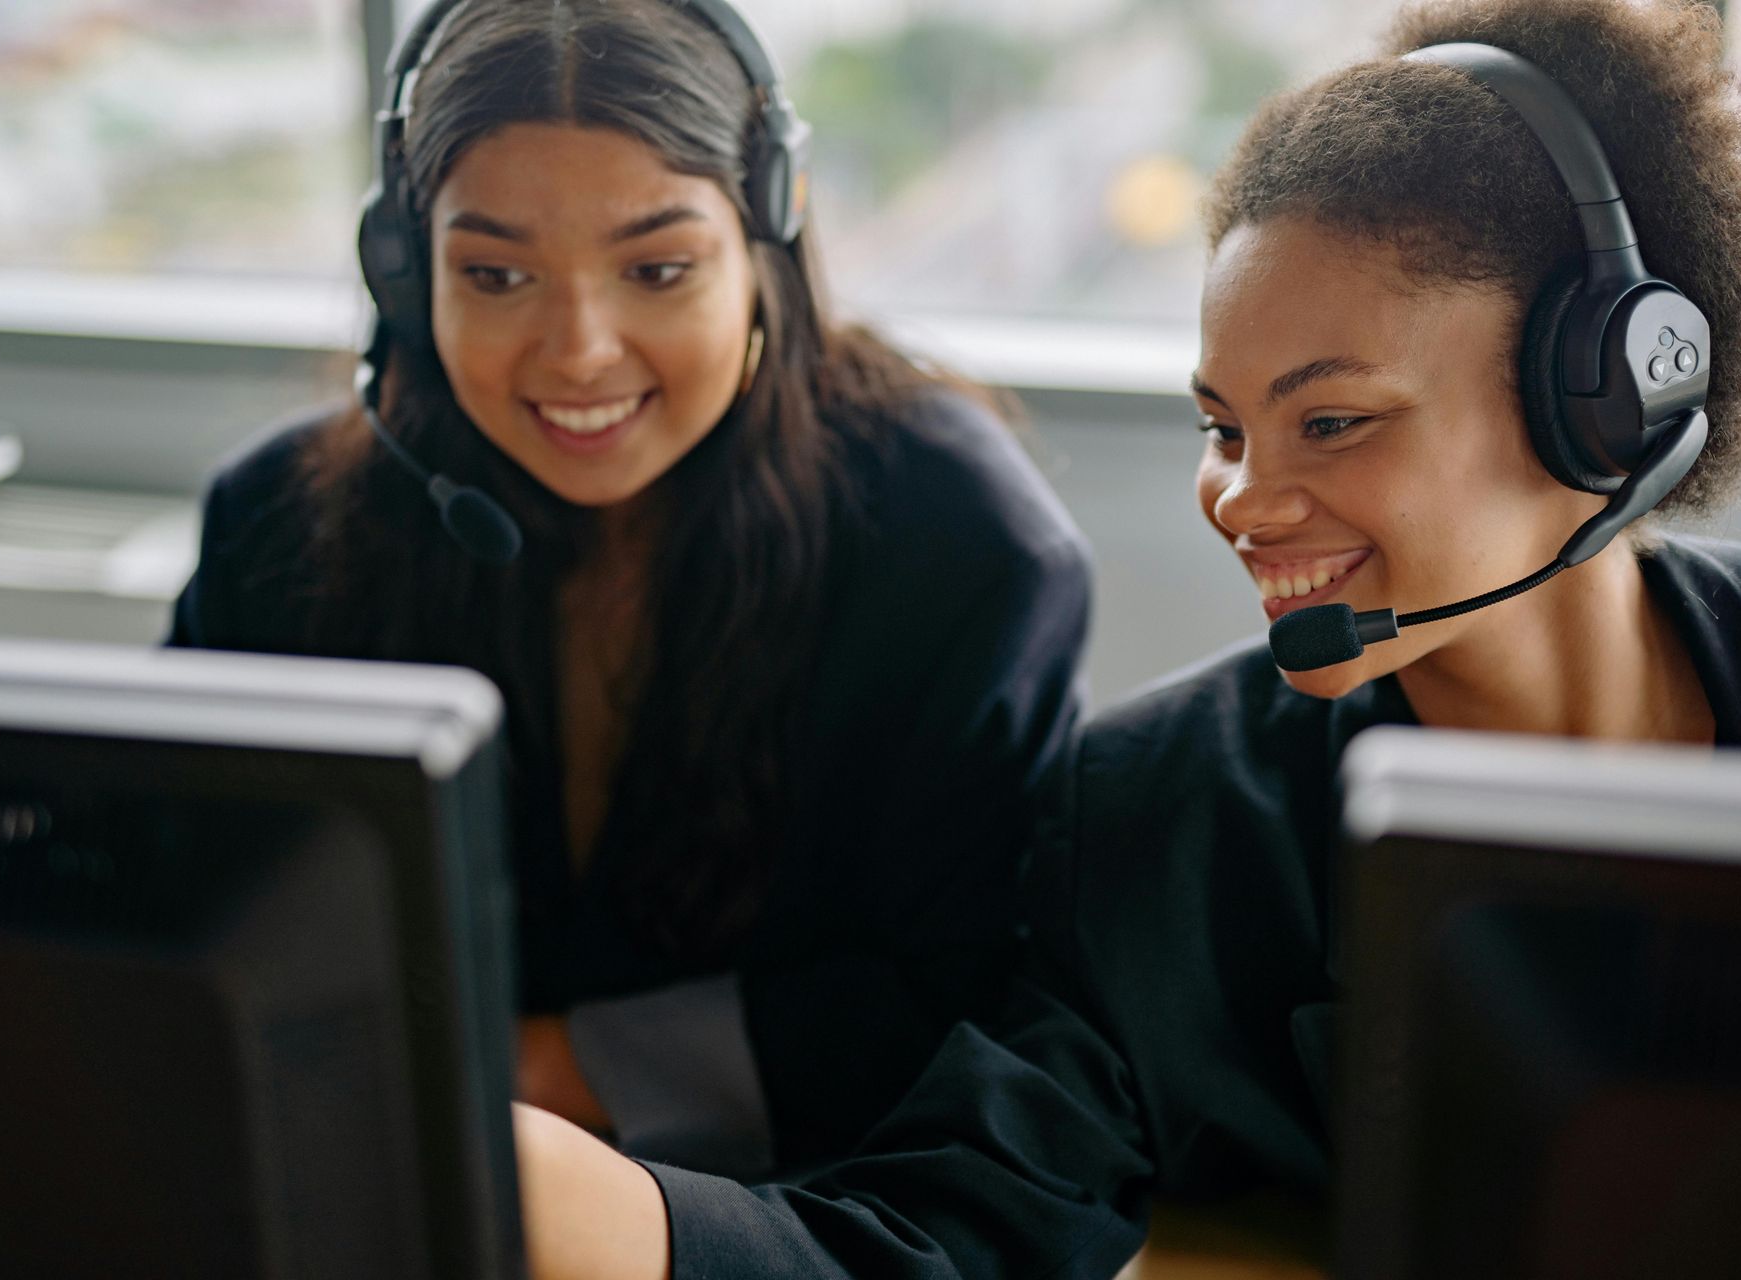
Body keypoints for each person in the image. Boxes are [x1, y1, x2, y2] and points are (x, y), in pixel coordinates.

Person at [505, 0, 1741, 1275]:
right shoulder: (1156, 824)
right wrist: (589, 1209)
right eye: (1224, 430)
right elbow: (954, 1235)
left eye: (1330, 422)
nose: (1241, 496)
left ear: (1605, 411)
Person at [169, 0, 1090, 1179]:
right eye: (495, 276)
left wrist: (547, 1066)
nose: (578, 350)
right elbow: (184, 896)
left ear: (766, 236)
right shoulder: (276, 526)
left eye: (656, 268)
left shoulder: (964, 544)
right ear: (402, 272)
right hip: (373, 1180)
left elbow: (973, 1000)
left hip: (789, 1215)